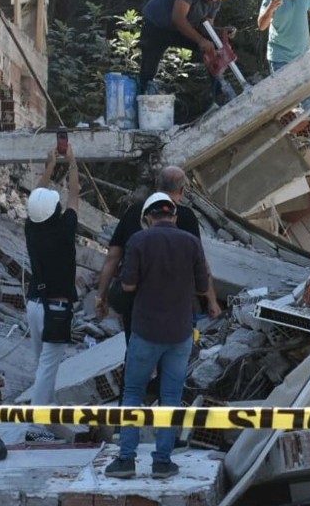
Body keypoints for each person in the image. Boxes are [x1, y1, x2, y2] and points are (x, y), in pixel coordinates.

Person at [104, 193, 211, 480]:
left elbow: (127, 285)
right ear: (173, 216)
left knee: (133, 394)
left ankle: (126, 460)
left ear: (148, 218)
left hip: (145, 332)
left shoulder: (139, 240)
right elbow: (203, 285)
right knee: (171, 397)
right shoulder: (191, 243)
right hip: (180, 334)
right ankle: (162, 462)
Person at [94, 166, 220, 341]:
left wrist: (100, 297)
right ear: (182, 190)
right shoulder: (186, 217)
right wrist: (212, 301)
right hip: (176, 302)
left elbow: (112, 258)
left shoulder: (133, 213)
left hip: (137, 304)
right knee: (172, 355)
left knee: (137, 350)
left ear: (156, 184)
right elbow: (200, 262)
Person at [24, 144, 80, 410]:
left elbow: (36, 196)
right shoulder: (64, 231)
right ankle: (37, 426)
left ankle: (47, 411)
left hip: (34, 304)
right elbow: (74, 197)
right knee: (47, 369)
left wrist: (49, 167)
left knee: (41, 366)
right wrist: (72, 164)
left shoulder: (31, 229)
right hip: (56, 309)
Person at [138, 0, 232, 98]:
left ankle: (219, 93)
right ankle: (141, 101)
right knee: (148, 70)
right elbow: (178, 18)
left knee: (212, 47)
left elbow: (207, 28)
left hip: (178, 30)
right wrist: (200, 40)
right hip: (156, 26)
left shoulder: (215, 0)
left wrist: (221, 33)